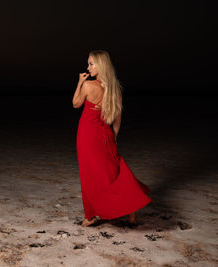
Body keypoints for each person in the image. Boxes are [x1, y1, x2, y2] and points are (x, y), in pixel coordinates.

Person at [72, 50, 151, 227]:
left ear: (101, 66)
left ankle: (90, 216)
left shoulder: (88, 86)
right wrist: (113, 137)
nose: (88, 67)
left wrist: (79, 82)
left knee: (90, 175)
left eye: (91, 64)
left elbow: (75, 104)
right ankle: (131, 211)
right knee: (113, 173)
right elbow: (117, 119)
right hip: (106, 135)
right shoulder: (114, 89)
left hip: (87, 136)